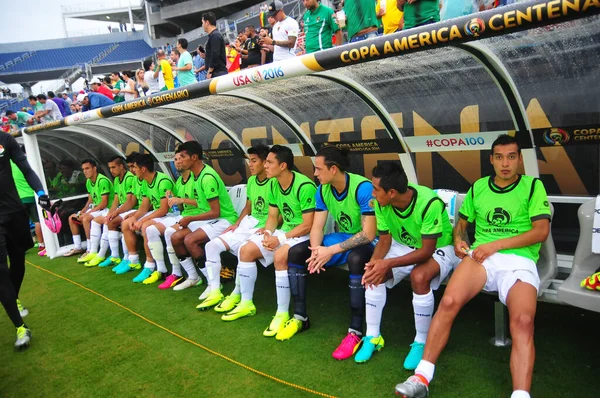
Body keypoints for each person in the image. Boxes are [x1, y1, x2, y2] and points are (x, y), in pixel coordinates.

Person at [395, 135, 551, 398]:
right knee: (448, 302)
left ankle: (521, 395)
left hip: (520, 260)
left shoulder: (533, 186)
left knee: (523, 321)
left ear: (519, 159)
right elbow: (462, 224)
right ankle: (422, 376)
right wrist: (458, 240)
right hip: (481, 257)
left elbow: (541, 232)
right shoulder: (479, 187)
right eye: (499, 157)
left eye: (511, 157)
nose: (505, 163)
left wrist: (497, 245)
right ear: (491, 159)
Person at [356, 162, 458, 370]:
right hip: (404, 245)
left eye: (376, 189)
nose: (372, 194)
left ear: (392, 192)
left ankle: (422, 341)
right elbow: (384, 240)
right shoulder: (382, 204)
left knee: (419, 277)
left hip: (441, 246)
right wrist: (375, 264)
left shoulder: (429, 202)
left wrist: (388, 263)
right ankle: (373, 337)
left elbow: (426, 251)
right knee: (374, 273)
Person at [280, 146, 376, 353]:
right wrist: (316, 250)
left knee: (357, 260)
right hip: (343, 238)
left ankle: (356, 332)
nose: (314, 174)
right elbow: (317, 226)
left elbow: (368, 233)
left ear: (333, 169)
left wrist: (330, 251)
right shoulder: (322, 189)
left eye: (318, 169)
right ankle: (300, 317)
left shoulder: (363, 188)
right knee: (297, 253)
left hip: (371, 242)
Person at [222, 145, 316, 340]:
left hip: (305, 234)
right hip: (285, 232)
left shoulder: (304, 186)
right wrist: (267, 233)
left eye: (269, 162)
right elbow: (273, 216)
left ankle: (282, 314)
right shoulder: (274, 183)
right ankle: (246, 303)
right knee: (246, 250)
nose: (265, 165)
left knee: (281, 255)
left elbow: (308, 225)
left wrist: (280, 239)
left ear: (283, 165)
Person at [198, 144, 272, 311]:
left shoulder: (274, 181)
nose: (250, 164)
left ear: (265, 162)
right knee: (211, 246)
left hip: (263, 228)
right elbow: (248, 207)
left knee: (243, 251)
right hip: (248, 224)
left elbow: (279, 211)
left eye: (254, 161)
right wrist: (236, 224)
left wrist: (268, 228)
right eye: (249, 161)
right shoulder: (252, 180)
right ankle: (215, 290)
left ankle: (237, 294)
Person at [0, 131, 49, 349]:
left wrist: (41, 192)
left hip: (15, 212)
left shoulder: (5, 139)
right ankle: (21, 327)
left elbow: (26, 169)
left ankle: (13, 297)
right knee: (1, 270)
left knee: (18, 261)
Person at [169, 142, 238, 292]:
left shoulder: (207, 178)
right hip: (209, 219)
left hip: (224, 219)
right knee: (175, 238)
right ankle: (194, 277)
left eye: (183, 156)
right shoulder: (195, 176)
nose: (179, 160)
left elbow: (215, 212)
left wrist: (190, 218)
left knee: (190, 240)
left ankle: (213, 283)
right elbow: (202, 206)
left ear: (194, 157)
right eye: (178, 157)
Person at [144, 151, 200, 287]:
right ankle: (161, 270)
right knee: (150, 229)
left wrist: (181, 199)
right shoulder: (179, 181)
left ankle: (177, 273)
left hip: (199, 215)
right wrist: (173, 198)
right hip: (183, 215)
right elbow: (181, 207)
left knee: (169, 232)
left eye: (181, 158)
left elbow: (203, 203)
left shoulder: (197, 178)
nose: (178, 161)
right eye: (175, 159)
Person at [119, 154, 174, 282]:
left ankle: (150, 265)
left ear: (143, 169)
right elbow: (143, 207)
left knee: (146, 227)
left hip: (172, 214)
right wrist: (135, 217)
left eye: (135, 167)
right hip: (160, 214)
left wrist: (142, 220)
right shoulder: (145, 182)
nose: (132, 170)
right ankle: (133, 260)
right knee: (126, 223)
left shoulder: (162, 181)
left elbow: (164, 209)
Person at [83, 156, 137, 268]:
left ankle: (124, 258)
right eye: (110, 168)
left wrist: (115, 213)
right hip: (123, 208)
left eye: (113, 167)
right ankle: (110, 255)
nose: (111, 170)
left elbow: (130, 202)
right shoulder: (117, 180)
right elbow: (116, 200)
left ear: (121, 166)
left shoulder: (130, 178)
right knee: (101, 221)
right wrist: (110, 213)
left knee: (112, 221)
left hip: (133, 209)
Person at [63, 160, 114, 259]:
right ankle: (78, 247)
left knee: (86, 218)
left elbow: (104, 203)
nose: (85, 171)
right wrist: (83, 211)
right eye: (83, 169)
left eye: (87, 168)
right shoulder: (89, 182)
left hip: (107, 210)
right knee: (72, 218)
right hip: (97, 209)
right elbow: (90, 200)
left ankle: (90, 249)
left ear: (94, 169)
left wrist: (89, 212)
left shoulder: (102, 180)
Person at [202, 12, 228, 78]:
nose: (202, 25)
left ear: (207, 22)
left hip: (217, 72)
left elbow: (215, 54)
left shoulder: (215, 35)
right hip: (216, 72)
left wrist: (210, 71)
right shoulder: (213, 36)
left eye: (202, 23)